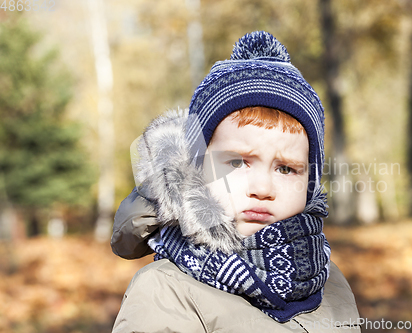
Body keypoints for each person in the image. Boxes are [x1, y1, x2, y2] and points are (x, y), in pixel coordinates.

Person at [111, 31, 360, 333]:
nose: (263, 189)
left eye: (286, 169)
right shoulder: (165, 291)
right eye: (237, 162)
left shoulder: (330, 282)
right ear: (195, 171)